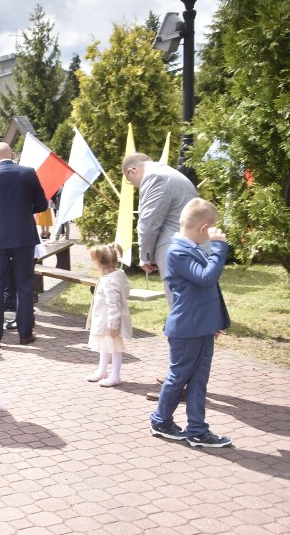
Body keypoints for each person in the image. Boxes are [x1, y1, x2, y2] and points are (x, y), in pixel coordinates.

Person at [149, 198, 232, 448]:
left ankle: (197, 429)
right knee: (178, 377)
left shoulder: (191, 247)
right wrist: (219, 248)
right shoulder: (177, 251)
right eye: (213, 229)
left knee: (198, 380)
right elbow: (206, 278)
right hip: (187, 327)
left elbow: (205, 291)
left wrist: (212, 320)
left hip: (200, 326)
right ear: (204, 228)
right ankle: (160, 421)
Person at [123, 152, 198, 399]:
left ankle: (179, 384)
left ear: (132, 171)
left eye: (131, 182)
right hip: (191, 254)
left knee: (181, 320)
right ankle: (187, 378)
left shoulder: (154, 178)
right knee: (189, 318)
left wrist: (145, 256)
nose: (135, 187)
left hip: (177, 256)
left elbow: (148, 221)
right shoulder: (172, 174)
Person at [0, 142, 47, 347]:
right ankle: (25, 334)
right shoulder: (28, 173)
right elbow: (42, 204)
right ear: (12, 155)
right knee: (24, 284)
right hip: (24, 237)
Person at [85, 243, 132, 387]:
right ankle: (102, 371)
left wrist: (113, 325)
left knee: (114, 349)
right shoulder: (114, 276)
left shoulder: (110, 281)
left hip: (109, 323)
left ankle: (115, 375)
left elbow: (113, 305)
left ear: (98, 263)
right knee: (104, 348)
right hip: (104, 321)